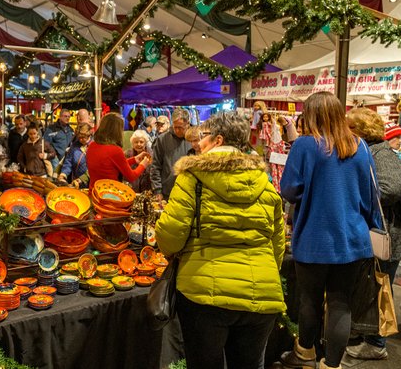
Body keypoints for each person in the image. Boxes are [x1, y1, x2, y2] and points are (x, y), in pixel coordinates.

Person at [155, 112, 285, 369]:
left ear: (217, 140)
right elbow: (277, 243)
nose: (199, 143)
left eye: (203, 136)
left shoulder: (191, 178)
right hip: (261, 294)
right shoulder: (264, 182)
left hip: (203, 294)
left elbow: (170, 234)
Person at [279, 92, 382, 369]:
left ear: (310, 115)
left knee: (309, 300)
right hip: (353, 238)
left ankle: (305, 354)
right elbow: (373, 195)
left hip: (314, 238)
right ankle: (332, 365)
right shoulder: (360, 146)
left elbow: (288, 189)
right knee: (341, 303)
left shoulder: (304, 146)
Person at [345, 108, 401, 360]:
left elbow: (391, 189)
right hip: (379, 232)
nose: (345, 132)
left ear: (361, 131)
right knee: (370, 285)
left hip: (387, 235)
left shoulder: (382, 153)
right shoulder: (370, 150)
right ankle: (366, 335)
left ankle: (376, 343)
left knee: (380, 287)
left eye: (349, 128)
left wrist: (354, 193)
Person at [86, 113, 151, 189]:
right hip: (110, 195)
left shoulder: (92, 146)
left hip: (94, 192)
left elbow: (110, 165)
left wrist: (134, 160)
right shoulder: (115, 150)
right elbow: (132, 176)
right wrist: (143, 164)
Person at [151, 109, 190, 201]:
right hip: (167, 192)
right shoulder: (162, 139)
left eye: (180, 128)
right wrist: (157, 190)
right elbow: (155, 166)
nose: (177, 130)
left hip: (189, 191)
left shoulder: (195, 139)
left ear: (187, 124)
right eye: (175, 127)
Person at [58, 123, 92, 188]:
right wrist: (63, 174)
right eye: (79, 137)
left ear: (88, 135)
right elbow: (68, 161)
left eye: (83, 137)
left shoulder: (94, 146)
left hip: (89, 183)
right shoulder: (74, 145)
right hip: (75, 181)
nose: (80, 140)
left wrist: (81, 179)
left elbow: (93, 168)